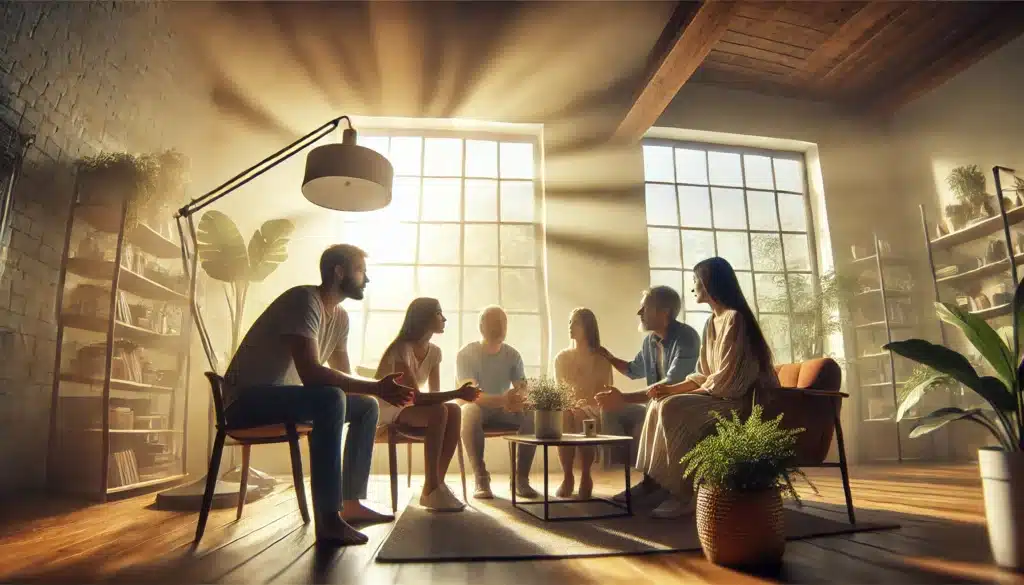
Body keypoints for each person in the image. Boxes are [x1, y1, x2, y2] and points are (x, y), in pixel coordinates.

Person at [223, 244, 416, 546]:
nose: (366, 280)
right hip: (245, 402)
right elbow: (312, 373)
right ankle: (328, 518)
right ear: (339, 272)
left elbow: (345, 377)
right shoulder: (305, 300)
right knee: (330, 398)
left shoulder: (340, 318)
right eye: (360, 271)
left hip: (285, 399)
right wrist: (379, 386)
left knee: (364, 406)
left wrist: (378, 390)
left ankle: (351, 503)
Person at [599, 257, 779, 518]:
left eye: (697, 281)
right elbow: (702, 373)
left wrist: (680, 392)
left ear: (709, 283)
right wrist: (670, 390)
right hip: (716, 393)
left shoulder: (735, 319)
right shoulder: (710, 323)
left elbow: (727, 380)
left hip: (736, 399)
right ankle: (652, 482)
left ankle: (682, 492)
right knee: (661, 401)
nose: (693, 287)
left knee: (673, 406)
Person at [374, 297, 482, 512]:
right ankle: (432, 487)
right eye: (438, 313)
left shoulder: (435, 353)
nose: (444, 318)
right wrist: (459, 392)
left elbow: (433, 395)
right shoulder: (401, 348)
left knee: (452, 409)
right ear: (423, 318)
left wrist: (457, 396)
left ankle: (435, 485)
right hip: (387, 408)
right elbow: (418, 397)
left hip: (409, 407)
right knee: (440, 411)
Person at [595, 285, 700, 468]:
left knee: (657, 408)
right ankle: (622, 471)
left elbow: (672, 383)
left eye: (645, 308)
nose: (639, 312)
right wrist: (609, 357)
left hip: (678, 407)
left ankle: (654, 480)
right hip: (653, 405)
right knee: (611, 411)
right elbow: (633, 370)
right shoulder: (649, 341)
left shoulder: (687, 337)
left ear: (664, 312)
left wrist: (623, 398)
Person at [456, 305, 539, 500]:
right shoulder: (467, 353)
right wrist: (503, 399)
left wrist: (518, 399)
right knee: (469, 411)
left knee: (531, 413)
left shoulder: (513, 355)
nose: (499, 327)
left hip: (503, 409)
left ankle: (520, 479)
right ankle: (481, 477)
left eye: (503, 322)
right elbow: (470, 395)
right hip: (478, 408)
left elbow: (522, 387)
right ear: (481, 326)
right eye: (493, 322)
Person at [553, 308, 612, 499]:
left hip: (594, 406)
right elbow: (560, 390)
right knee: (565, 414)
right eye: (570, 322)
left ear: (588, 326)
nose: (570, 326)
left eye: (575, 322)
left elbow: (606, 390)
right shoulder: (562, 358)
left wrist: (585, 405)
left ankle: (586, 474)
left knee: (581, 415)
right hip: (570, 405)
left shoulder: (602, 357)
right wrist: (573, 404)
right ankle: (568, 475)